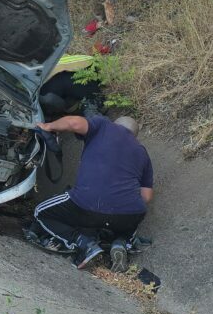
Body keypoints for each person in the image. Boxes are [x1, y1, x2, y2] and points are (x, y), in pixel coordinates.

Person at [26, 115, 154, 270]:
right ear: (134, 135)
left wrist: (49, 126)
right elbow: (146, 196)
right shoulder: (142, 152)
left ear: (115, 124)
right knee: (129, 221)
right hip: (129, 213)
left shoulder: (103, 125)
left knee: (41, 212)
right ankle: (121, 242)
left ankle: (84, 244)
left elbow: (74, 123)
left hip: (87, 205)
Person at [39, 54, 105, 119]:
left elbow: (52, 102)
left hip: (89, 71)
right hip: (85, 64)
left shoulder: (50, 86)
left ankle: (93, 105)